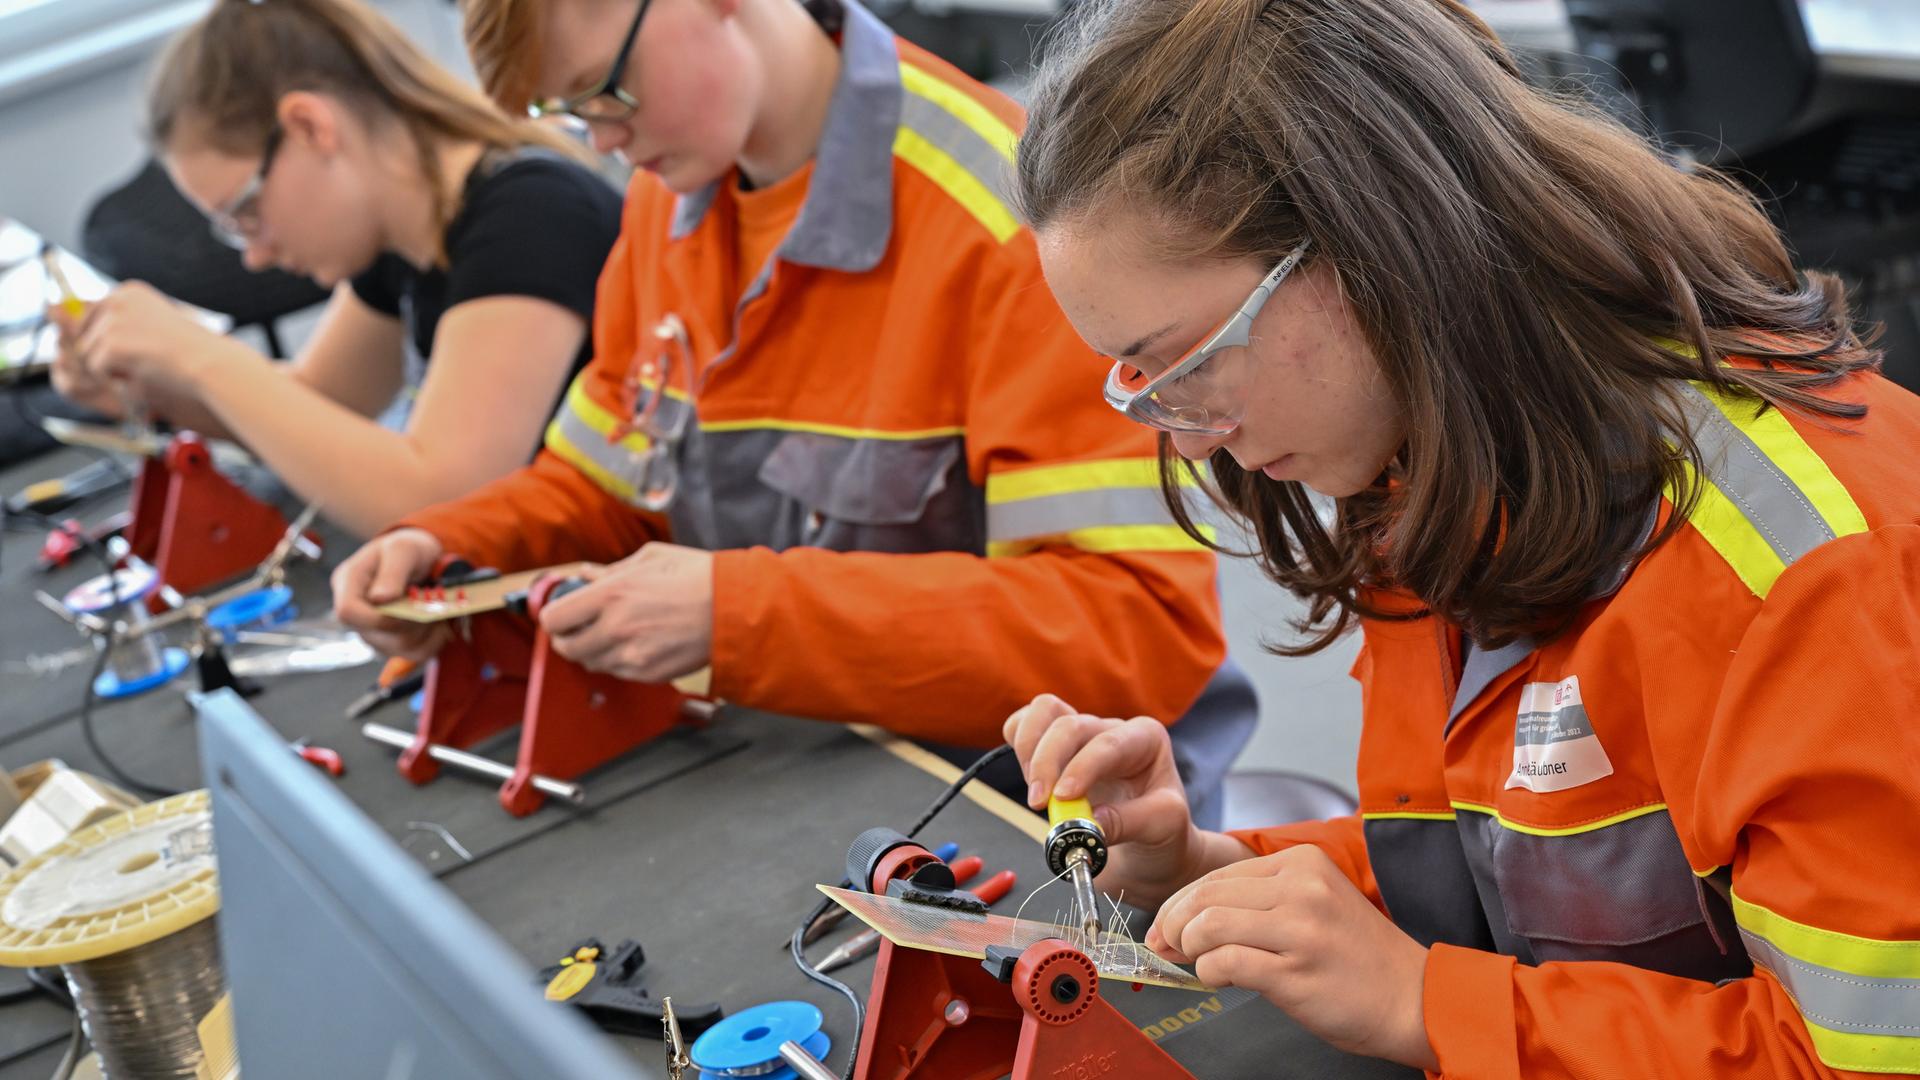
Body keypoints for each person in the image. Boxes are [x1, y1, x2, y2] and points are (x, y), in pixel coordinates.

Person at [1001, 0, 1920, 1075]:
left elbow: (1874, 1055)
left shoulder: (1803, 568)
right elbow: (1498, 866)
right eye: (1140, 381)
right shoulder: (1438, 456)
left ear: (1375, 245)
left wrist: (1427, 1005)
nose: (1193, 434)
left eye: (1192, 360)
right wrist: (1211, 871)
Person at [331, 0, 1256, 820]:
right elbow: (607, 488)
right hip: (813, 767)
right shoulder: (666, 204)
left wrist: (737, 617)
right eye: (569, 113)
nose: (602, 141)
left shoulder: (1014, 226)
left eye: (604, 91)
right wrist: (455, 547)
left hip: (1051, 812)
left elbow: (1131, 636)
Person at [51, 0, 622, 537]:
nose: (254, 255)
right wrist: (150, 389)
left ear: (310, 128)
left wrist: (198, 357)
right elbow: (317, 405)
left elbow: (439, 502)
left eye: (246, 212)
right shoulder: (405, 234)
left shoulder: (530, 216)